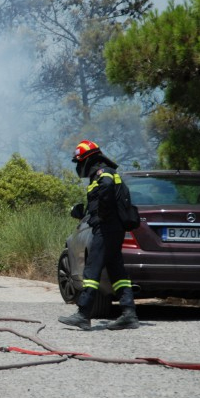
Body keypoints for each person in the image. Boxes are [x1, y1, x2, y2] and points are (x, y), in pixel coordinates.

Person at [58, 140, 140, 331]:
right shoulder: (103, 175)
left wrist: (101, 217)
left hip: (106, 228)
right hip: (113, 229)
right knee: (117, 272)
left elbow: (106, 193)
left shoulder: (104, 174)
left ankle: (83, 314)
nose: (78, 166)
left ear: (87, 159)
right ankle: (129, 313)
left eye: (79, 162)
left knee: (92, 271)